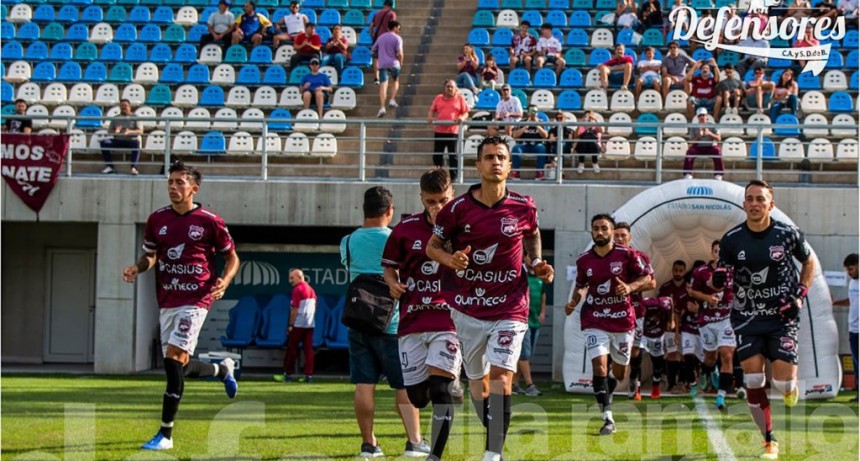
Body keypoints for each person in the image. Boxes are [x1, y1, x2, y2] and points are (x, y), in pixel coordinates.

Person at [427, 136, 554, 461]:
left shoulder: (524, 205)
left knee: (501, 377)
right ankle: (494, 428)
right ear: (477, 165)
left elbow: (533, 235)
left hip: (511, 306)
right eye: (489, 157)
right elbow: (433, 247)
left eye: (501, 157)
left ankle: (492, 453)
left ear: (509, 165)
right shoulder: (456, 209)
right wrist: (450, 260)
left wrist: (536, 262)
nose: (495, 162)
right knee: (477, 386)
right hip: (467, 310)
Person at [122, 161, 240, 451]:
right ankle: (221, 370)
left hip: (196, 299)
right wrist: (138, 268)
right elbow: (150, 256)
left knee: (173, 359)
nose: (173, 187)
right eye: (170, 182)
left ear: (194, 189)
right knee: (179, 368)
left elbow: (233, 258)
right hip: (167, 300)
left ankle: (165, 434)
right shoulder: (156, 220)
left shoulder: (210, 221)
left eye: (179, 183)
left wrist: (224, 281)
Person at [718, 179, 816, 460]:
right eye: (749, 199)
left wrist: (799, 293)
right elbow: (722, 271)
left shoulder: (788, 233)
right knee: (753, 379)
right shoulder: (731, 239)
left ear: (771, 204)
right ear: (743, 204)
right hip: (747, 317)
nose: (754, 204)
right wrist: (719, 278)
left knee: (783, 383)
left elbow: (808, 262)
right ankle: (769, 441)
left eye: (760, 199)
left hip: (782, 315)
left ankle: (790, 388)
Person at [340, 187, 429, 459]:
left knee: (364, 384)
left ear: (364, 209)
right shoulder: (398, 237)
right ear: (389, 210)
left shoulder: (347, 241)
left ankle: (369, 444)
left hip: (358, 321)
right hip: (393, 325)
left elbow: (350, 269)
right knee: (404, 384)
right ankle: (414, 441)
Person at [382, 169, 462, 461]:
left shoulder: (464, 228)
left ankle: (435, 456)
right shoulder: (405, 229)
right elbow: (389, 268)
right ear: (421, 199)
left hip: (448, 320)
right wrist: (392, 284)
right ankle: (451, 382)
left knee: (439, 389)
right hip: (412, 321)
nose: (437, 207)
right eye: (431, 201)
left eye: (442, 200)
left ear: (452, 195)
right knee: (417, 397)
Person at [565, 214, 650, 435]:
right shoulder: (584, 260)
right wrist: (574, 301)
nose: (600, 232)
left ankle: (609, 389)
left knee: (619, 373)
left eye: (604, 228)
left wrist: (630, 288)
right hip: (595, 318)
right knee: (599, 366)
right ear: (592, 231)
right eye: (596, 228)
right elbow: (582, 285)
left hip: (622, 319)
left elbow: (648, 279)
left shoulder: (627, 255)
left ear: (612, 232)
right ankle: (607, 419)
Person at [689, 240, 737, 410]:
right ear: (712, 253)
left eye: (722, 251)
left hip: (726, 319)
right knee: (710, 358)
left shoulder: (734, 271)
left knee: (727, 355)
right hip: (707, 320)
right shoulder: (701, 271)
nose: (719, 254)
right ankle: (707, 371)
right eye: (716, 251)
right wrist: (707, 298)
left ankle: (721, 396)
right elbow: (692, 291)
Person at [613, 222, 656, 401]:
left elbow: (652, 283)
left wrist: (631, 287)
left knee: (635, 350)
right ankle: (607, 386)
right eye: (617, 235)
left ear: (630, 237)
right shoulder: (606, 257)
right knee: (611, 349)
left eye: (623, 235)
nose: (620, 238)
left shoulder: (640, 257)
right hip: (612, 312)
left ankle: (634, 381)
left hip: (636, 311)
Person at [513, 255, 546, 396]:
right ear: (524, 257)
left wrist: (543, 312)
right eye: (529, 256)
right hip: (522, 319)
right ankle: (530, 385)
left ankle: (514, 384)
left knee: (526, 355)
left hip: (535, 319)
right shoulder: (520, 272)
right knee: (524, 354)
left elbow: (543, 294)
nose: (532, 259)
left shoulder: (540, 274)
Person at [278, 269, 317, 383]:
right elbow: (315, 306)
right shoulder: (311, 289)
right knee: (308, 350)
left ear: (299, 277)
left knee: (292, 349)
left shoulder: (298, 289)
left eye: (292, 278)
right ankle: (308, 376)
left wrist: (290, 324)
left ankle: (288, 374)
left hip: (298, 324)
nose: (290, 281)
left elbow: (294, 309)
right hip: (309, 324)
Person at [427, 80, 470, 181]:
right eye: (448, 86)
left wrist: (462, 118)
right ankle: (438, 177)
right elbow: (432, 110)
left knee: (453, 156)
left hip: (453, 131)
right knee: (437, 155)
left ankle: (454, 178)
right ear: (444, 88)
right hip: (439, 131)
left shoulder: (460, 99)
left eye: (451, 87)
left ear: (455, 89)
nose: (449, 89)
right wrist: (430, 117)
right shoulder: (438, 98)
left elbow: (466, 112)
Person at [658, 260, 690, 394]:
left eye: (681, 270)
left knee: (684, 355)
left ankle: (683, 382)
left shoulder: (689, 288)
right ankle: (672, 384)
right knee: (671, 354)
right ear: (672, 270)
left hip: (686, 326)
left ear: (684, 271)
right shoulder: (665, 287)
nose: (678, 273)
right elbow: (659, 305)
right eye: (676, 270)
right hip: (670, 327)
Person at [639, 295, 675, 399]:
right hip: (643, 334)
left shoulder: (663, 304)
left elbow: (670, 300)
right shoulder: (641, 305)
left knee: (657, 362)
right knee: (637, 357)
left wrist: (671, 320)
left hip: (658, 335)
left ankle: (656, 386)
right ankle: (637, 389)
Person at [834, 253, 859, 401]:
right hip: (853, 329)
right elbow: (852, 301)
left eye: (851, 268)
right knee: (856, 362)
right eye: (847, 270)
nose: (849, 272)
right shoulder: (852, 283)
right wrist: (834, 303)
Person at [100, 99, 142, 175]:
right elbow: (109, 132)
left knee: (136, 143)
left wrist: (130, 131)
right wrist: (116, 131)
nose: (124, 107)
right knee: (104, 142)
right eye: (122, 106)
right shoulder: (116, 118)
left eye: (125, 106)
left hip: (131, 140)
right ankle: (110, 166)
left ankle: (133, 167)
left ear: (129, 107)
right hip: (118, 140)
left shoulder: (135, 117)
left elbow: (140, 131)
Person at [372, 20, 403, 118]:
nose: (399, 30)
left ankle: (382, 107)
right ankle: (392, 99)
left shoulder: (381, 37)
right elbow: (400, 53)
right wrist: (401, 62)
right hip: (394, 63)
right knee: (395, 81)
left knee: (383, 86)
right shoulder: (397, 38)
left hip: (383, 63)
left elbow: (373, 49)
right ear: (395, 27)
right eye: (399, 28)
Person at [683, 107, 722, 180]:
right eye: (700, 115)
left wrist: (710, 134)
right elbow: (691, 142)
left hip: (710, 146)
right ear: (697, 117)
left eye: (703, 115)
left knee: (717, 151)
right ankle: (688, 173)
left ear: (707, 116)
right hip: (698, 147)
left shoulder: (713, 125)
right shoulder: (694, 127)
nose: (702, 117)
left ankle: (718, 174)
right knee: (690, 152)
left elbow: (719, 138)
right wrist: (698, 136)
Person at [510, 106, 548, 180]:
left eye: (535, 112)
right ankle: (516, 172)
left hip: (536, 145)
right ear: (528, 113)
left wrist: (537, 125)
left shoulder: (541, 122)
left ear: (537, 113)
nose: (533, 113)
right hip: (523, 145)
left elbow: (545, 136)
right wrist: (526, 126)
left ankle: (539, 172)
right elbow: (515, 135)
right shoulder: (522, 122)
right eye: (531, 111)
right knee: (516, 148)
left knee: (542, 148)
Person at [369, 0, 397, 85]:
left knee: (376, 58)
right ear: (391, 5)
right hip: (386, 37)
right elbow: (393, 27)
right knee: (388, 55)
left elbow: (371, 27)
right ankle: (386, 72)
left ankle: (376, 78)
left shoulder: (377, 13)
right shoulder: (391, 14)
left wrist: (372, 35)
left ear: (384, 4)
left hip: (377, 37)